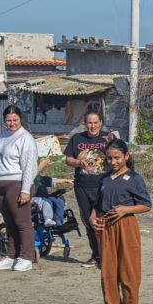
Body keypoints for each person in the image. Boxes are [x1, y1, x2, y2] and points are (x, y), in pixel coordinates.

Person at [92, 139, 152, 304]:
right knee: (108, 273)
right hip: (106, 227)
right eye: (109, 158)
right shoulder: (104, 179)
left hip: (126, 226)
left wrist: (126, 210)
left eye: (117, 157)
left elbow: (146, 204)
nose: (113, 161)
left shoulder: (134, 178)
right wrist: (93, 216)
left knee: (129, 271)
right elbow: (98, 204)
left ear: (126, 156)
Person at [63, 109, 113, 268]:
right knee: (88, 221)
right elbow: (68, 159)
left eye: (96, 123)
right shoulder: (77, 139)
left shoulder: (108, 138)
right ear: (85, 124)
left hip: (104, 186)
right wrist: (78, 163)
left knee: (104, 220)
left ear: (101, 123)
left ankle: (109, 255)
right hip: (82, 186)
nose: (93, 126)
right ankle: (96, 255)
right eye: (90, 123)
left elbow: (120, 156)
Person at [0, 105, 38, 272]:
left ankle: (26, 256)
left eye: (15, 120)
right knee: (9, 222)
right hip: (0, 183)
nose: (11, 123)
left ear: (20, 119)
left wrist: (25, 189)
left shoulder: (25, 138)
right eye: (8, 120)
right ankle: (11, 254)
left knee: (22, 222)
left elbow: (30, 166)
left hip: (17, 183)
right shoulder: (2, 136)